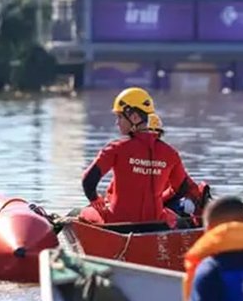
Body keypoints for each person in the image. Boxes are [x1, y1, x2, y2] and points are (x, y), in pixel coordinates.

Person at [80, 87, 200, 228]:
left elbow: (88, 181)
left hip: (117, 223)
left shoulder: (116, 148)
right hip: (156, 223)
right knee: (175, 218)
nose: (117, 123)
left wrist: (95, 200)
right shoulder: (170, 153)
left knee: (83, 213)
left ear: (134, 117)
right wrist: (161, 199)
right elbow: (181, 188)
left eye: (119, 117)